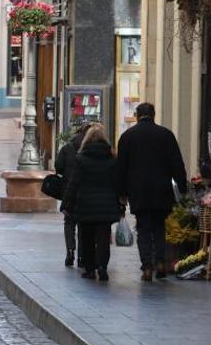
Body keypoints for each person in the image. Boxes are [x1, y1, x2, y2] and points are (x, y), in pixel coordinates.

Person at [117, 102, 188, 281]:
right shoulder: (166, 135)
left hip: (138, 191)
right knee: (159, 227)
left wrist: (122, 193)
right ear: (154, 115)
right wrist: (182, 187)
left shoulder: (127, 137)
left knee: (143, 228)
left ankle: (147, 267)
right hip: (161, 190)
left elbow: (121, 169)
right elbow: (177, 164)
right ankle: (161, 262)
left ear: (137, 115)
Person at [63, 124, 121, 281]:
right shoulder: (112, 159)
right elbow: (118, 183)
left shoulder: (81, 159)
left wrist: (67, 203)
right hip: (106, 205)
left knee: (86, 238)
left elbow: (73, 184)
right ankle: (102, 267)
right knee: (103, 238)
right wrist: (121, 203)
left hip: (85, 205)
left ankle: (89, 269)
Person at [54, 123, 92, 267]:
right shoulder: (92, 150)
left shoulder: (67, 148)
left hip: (69, 191)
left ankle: (70, 251)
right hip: (86, 193)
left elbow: (58, 166)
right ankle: (82, 257)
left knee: (69, 222)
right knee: (83, 224)